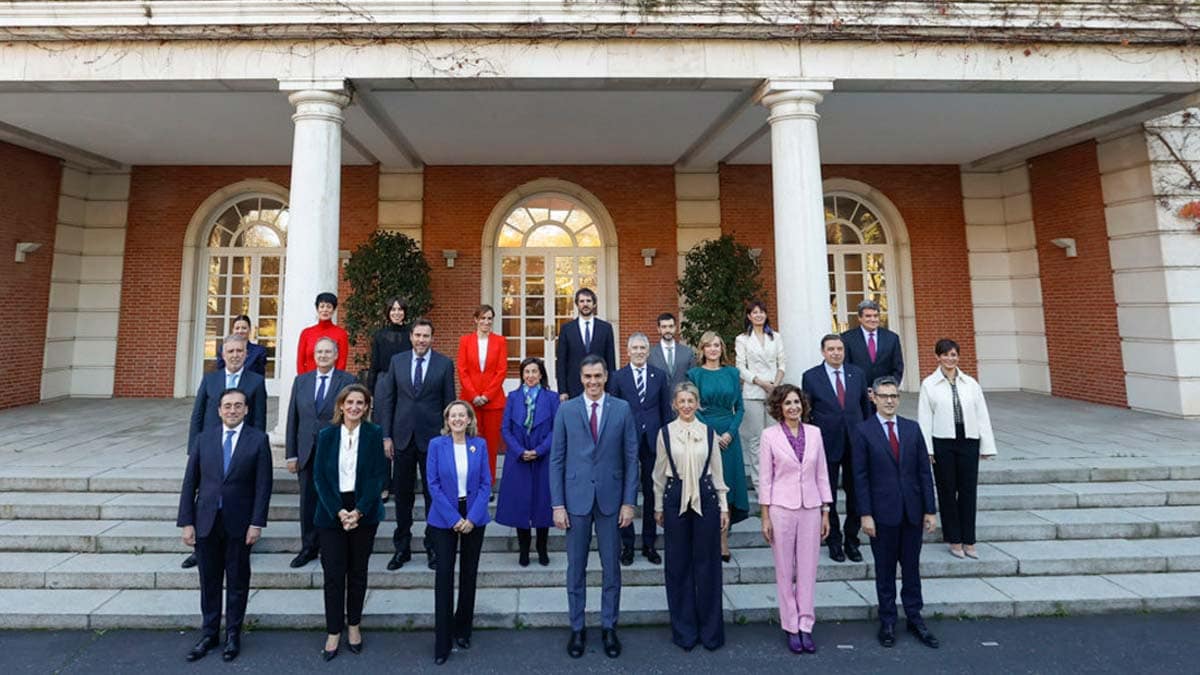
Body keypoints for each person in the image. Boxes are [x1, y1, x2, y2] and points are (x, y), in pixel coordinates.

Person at [550, 354, 639, 659]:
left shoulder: (622, 409)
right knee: (576, 568)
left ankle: (608, 627)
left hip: (612, 501)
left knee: (611, 569)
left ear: (606, 377)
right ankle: (577, 628)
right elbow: (557, 460)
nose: (592, 382)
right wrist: (557, 504)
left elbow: (631, 459)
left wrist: (630, 502)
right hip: (574, 501)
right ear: (580, 378)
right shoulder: (566, 410)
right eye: (587, 377)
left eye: (597, 376)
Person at [176, 388, 273, 663]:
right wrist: (186, 522)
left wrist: (257, 523)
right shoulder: (204, 439)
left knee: (238, 582)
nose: (232, 410)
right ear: (219, 410)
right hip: (206, 522)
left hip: (240, 524)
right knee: (209, 581)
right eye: (227, 406)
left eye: (238, 406)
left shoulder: (257, 440)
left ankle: (233, 634)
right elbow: (190, 483)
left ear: (246, 410)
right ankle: (209, 634)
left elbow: (263, 486)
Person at [851, 377, 939, 650]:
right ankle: (887, 620)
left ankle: (915, 617)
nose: (889, 400)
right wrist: (865, 514)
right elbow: (860, 477)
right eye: (884, 395)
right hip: (881, 514)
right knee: (885, 570)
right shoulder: (863, 431)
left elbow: (924, 472)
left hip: (912, 512)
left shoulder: (912, 429)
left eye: (894, 395)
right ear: (873, 398)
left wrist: (930, 509)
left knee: (911, 568)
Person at [652, 381, 729, 652]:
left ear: (697, 404)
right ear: (674, 404)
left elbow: (717, 472)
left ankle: (711, 632)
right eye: (681, 401)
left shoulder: (709, 433)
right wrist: (658, 507)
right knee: (678, 565)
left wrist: (724, 506)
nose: (686, 406)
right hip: (675, 498)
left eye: (690, 401)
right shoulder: (665, 433)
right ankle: (684, 631)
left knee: (708, 565)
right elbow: (659, 474)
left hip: (706, 498)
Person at [312, 384, 387, 662]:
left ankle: (353, 626)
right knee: (333, 575)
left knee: (357, 572)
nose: (355, 407)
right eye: (350, 402)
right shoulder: (327, 435)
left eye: (360, 403)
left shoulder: (374, 433)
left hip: (363, 511)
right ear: (341, 406)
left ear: (366, 407)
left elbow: (377, 475)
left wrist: (359, 511)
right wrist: (339, 512)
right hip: (331, 511)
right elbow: (319, 477)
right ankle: (334, 631)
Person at [375, 318, 456, 572]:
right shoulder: (397, 362)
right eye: (418, 335)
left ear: (433, 338)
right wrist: (386, 436)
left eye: (426, 336)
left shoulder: (444, 364)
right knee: (403, 497)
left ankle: (433, 546)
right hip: (401, 439)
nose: (422, 340)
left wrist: (448, 440)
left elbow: (449, 404)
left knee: (434, 496)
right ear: (411, 337)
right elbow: (388, 401)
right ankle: (402, 547)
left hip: (433, 441)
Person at [758, 384, 832, 655]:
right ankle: (790, 625)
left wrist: (825, 511)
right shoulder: (769, 436)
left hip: (811, 507)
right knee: (785, 570)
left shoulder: (815, 434)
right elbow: (765, 479)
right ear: (779, 407)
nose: (793, 408)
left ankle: (805, 625)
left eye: (797, 403)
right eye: (788, 403)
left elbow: (822, 473)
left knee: (808, 569)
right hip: (781, 508)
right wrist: (765, 516)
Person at [183, 334, 267, 569]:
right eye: (230, 351)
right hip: (210, 449)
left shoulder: (256, 382)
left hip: (243, 452)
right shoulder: (210, 380)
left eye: (240, 351)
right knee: (206, 495)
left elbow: (259, 419)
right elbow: (197, 415)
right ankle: (200, 549)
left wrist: (258, 450)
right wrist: (193, 450)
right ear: (223, 354)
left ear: (246, 354)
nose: (235, 355)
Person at [426, 401, 493, 665]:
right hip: (444, 518)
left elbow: (487, 483)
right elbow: (433, 484)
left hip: (474, 516)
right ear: (447, 420)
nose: (457, 419)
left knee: (468, 575)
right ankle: (442, 641)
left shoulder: (480, 445)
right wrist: (454, 518)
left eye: (461, 415)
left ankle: (463, 630)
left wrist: (472, 518)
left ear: (469, 420)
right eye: (452, 415)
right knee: (444, 577)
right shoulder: (436, 445)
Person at [918, 338, 996, 560]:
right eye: (945, 355)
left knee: (968, 491)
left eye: (954, 355)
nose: (950, 359)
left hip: (968, 440)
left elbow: (982, 414)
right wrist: (928, 450)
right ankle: (954, 540)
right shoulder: (929, 384)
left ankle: (969, 540)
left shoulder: (970, 383)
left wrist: (987, 445)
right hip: (943, 442)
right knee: (947, 491)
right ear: (937, 357)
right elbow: (925, 418)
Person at [285, 337, 356, 569]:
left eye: (328, 352)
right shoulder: (301, 381)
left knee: (333, 499)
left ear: (336, 355)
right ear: (313, 355)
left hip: (336, 452)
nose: (323, 355)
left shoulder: (347, 381)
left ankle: (331, 547)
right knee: (308, 501)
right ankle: (308, 547)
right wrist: (291, 454)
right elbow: (292, 419)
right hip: (306, 451)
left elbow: (354, 419)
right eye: (319, 352)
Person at [800, 334, 869, 564]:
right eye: (831, 349)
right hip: (825, 443)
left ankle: (852, 540)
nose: (836, 353)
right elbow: (807, 412)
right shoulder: (811, 377)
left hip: (855, 442)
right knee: (826, 493)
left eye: (839, 349)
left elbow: (865, 408)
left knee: (856, 493)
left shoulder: (857, 374)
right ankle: (834, 540)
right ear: (823, 352)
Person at [607, 332, 671, 566]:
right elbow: (612, 411)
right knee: (626, 492)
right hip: (625, 442)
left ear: (648, 350)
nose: (639, 352)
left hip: (653, 442)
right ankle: (627, 545)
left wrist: (666, 440)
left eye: (643, 348)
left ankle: (649, 543)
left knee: (653, 492)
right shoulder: (617, 377)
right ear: (628, 351)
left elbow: (666, 411)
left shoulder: (659, 376)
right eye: (635, 348)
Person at [687, 331, 750, 561]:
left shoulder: (733, 373)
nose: (713, 349)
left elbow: (740, 408)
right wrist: (712, 433)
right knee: (708, 486)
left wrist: (730, 433)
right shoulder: (694, 374)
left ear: (722, 348)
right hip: (704, 434)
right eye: (708, 346)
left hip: (729, 437)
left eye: (717, 345)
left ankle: (723, 541)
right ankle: (705, 540)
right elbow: (691, 406)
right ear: (702, 350)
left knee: (728, 487)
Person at [495, 357, 560, 567]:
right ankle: (524, 550)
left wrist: (539, 450)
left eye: (534, 371)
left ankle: (542, 548)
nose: (530, 376)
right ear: (522, 375)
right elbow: (505, 429)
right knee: (521, 504)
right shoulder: (513, 397)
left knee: (543, 504)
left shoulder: (552, 398)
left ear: (541, 374)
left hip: (543, 458)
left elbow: (556, 429)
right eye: (527, 372)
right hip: (518, 458)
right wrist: (520, 450)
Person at [735, 300, 786, 491]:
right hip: (753, 392)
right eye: (754, 312)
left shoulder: (776, 337)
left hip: (774, 392)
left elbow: (782, 363)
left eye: (761, 312)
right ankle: (760, 484)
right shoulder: (742, 339)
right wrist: (761, 383)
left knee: (775, 438)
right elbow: (740, 367)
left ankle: (777, 481)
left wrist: (775, 385)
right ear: (749, 316)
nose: (758, 315)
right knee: (756, 440)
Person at [456, 304, 508, 480]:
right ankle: (472, 479)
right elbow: (462, 370)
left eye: (489, 318)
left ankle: (489, 480)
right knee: (471, 442)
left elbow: (501, 371)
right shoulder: (465, 341)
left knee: (491, 445)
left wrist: (486, 395)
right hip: (471, 401)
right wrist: (474, 395)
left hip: (493, 402)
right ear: (476, 320)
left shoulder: (500, 341)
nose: (486, 322)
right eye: (483, 318)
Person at [555, 287, 616, 400]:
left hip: (599, 386)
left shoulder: (605, 328)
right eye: (582, 301)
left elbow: (610, 361)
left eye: (588, 301)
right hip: (573, 386)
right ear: (577, 304)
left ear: (594, 304)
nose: (585, 304)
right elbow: (561, 362)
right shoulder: (567, 329)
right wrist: (562, 390)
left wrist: (611, 389)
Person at [841, 300, 904, 403]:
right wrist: (860, 390)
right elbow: (846, 367)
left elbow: (898, 367)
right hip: (857, 396)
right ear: (860, 318)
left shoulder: (892, 338)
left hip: (884, 396)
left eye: (875, 316)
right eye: (868, 316)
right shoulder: (847, 338)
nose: (873, 319)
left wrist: (887, 390)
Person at [367, 296, 413, 394]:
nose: (396, 313)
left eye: (400, 309)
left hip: (406, 384)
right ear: (388, 312)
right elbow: (374, 365)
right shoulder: (379, 335)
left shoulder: (412, 334)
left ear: (405, 312)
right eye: (393, 309)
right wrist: (370, 392)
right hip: (385, 384)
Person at [297, 292, 349, 374]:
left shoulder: (341, 334)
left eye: (329, 307)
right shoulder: (306, 333)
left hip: (332, 381)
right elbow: (300, 362)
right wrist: (303, 381)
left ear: (334, 310)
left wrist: (335, 382)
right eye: (322, 306)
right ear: (317, 309)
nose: (325, 310)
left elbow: (341, 363)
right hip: (308, 380)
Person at [648, 312, 694, 391]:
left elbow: (692, 381)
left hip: (682, 401)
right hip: (659, 401)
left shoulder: (688, 353)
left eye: (671, 326)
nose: (668, 330)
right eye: (664, 327)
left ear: (675, 328)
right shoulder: (650, 354)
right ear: (658, 329)